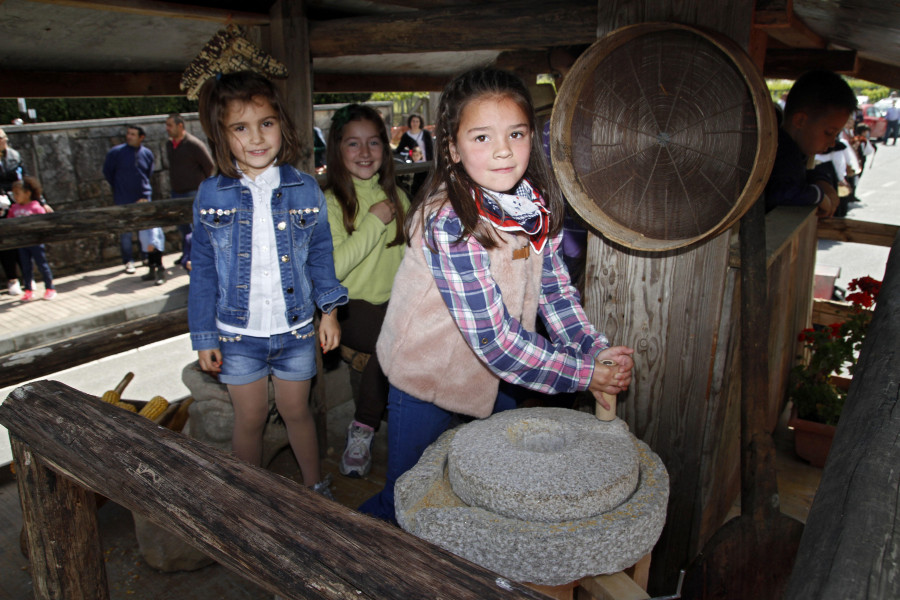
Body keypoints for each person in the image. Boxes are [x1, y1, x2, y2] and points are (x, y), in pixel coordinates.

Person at [360, 67, 635, 524]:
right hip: (425, 378)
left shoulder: (529, 205)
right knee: (409, 496)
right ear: (451, 147)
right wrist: (585, 375)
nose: (504, 150)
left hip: (494, 378)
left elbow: (554, 289)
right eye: (482, 137)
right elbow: (495, 342)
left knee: (493, 485)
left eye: (516, 133)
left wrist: (593, 348)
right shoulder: (448, 220)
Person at [188, 70, 348, 498]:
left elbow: (319, 255)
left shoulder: (305, 189)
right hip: (238, 335)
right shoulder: (210, 194)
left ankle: (316, 487)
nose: (256, 137)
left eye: (266, 123)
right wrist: (205, 335)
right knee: (251, 418)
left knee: (298, 412)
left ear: (282, 124)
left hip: (296, 331)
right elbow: (202, 268)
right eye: (240, 127)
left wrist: (329, 311)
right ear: (222, 136)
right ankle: (249, 497)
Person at [322, 104, 410, 478]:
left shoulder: (400, 199)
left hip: (394, 302)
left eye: (373, 142)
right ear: (337, 150)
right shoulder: (330, 202)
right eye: (353, 144)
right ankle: (363, 429)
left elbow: (410, 260)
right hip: (346, 304)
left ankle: (415, 423)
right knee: (388, 341)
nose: (364, 153)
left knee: (409, 335)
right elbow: (334, 268)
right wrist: (374, 221)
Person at [764, 70, 857, 218]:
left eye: (836, 134)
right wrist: (819, 196)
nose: (833, 142)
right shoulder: (780, 152)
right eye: (828, 132)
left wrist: (820, 180)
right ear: (800, 121)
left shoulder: (792, 151)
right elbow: (781, 194)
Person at [103, 124, 154, 274]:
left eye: (133, 134)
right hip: (123, 197)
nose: (129, 136)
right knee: (125, 232)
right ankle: (128, 260)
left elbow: (148, 172)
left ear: (141, 137)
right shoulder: (116, 153)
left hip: (143, 197)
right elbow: (108, 172)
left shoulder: (147, 153)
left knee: (145, 231)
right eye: (128, 134)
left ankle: (145, 257)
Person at [165, 113, 215, 265]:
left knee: (196, 226)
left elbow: (209, 166)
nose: (167, 129)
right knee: (182, 226)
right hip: (177, 192)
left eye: (170, 125)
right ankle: (187, 254)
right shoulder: (170, 144)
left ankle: (197, 256)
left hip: (193, 192)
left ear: (180, 126)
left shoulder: (194, 144)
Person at [6, 176, 56, 300]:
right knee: (26, 267)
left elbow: (43, 222)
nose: (15, 197)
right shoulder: (14, 208)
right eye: (14, 194)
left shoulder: (35, 207)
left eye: (18, 193)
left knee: (42, 264)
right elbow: (9, 222)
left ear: (27, 193)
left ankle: (50, 288)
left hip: (36, 242)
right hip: (22, 243)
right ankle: (28, 289)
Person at [0, 128, 26, 296]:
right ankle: (12, 279)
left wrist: (40, 201)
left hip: (16, 202)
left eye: (4, 138)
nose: (4, 141)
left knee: (23, 241)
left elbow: (25, 178)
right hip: (1, 206)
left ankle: (28, 276)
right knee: (5, 244)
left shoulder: (14, 156)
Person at [394, 113, 433, 198]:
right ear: (410, 122)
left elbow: (431, 148)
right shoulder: (406, 135)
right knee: (417, 185)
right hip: (415, 163)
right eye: (413, 121)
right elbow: (399, 149)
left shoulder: (425, 133)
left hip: (427, 163)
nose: (415, 123)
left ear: (420, 123)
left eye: (417, 121)